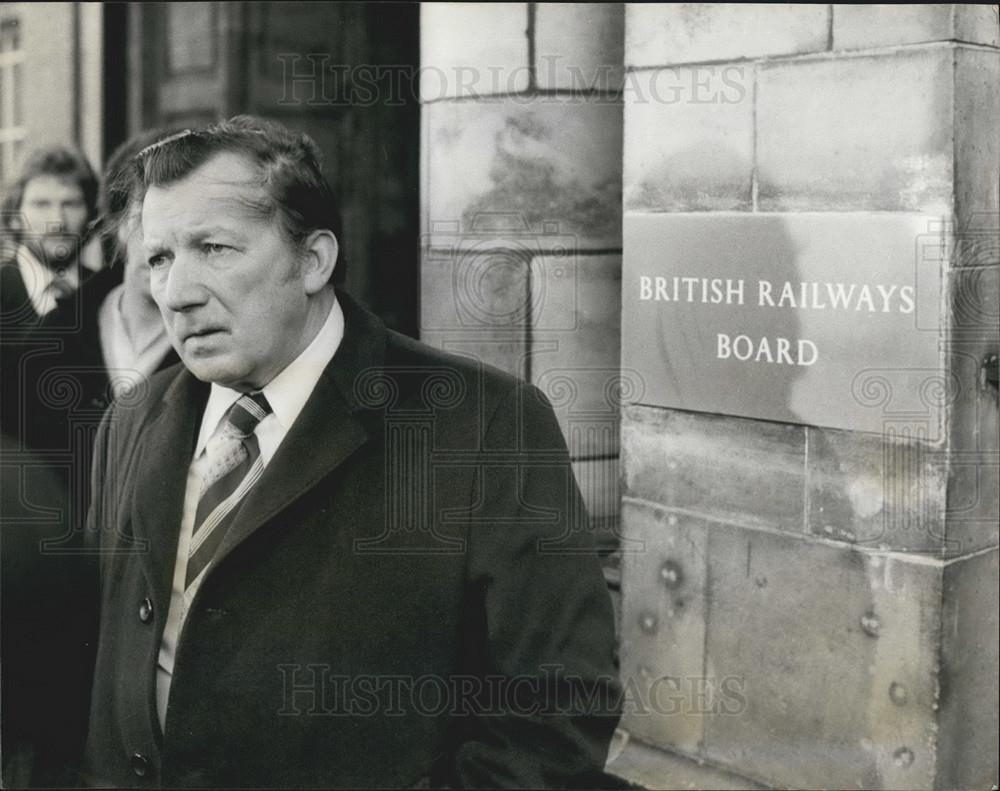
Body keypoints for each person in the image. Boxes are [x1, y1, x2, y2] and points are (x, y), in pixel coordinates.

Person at [81, 116, 620, 788]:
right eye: (159, 258)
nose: (178, 293)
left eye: (215, 248)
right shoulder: (133, 419)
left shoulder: (485, 426)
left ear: (313, 260)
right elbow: (104, 667)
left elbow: (555, 719)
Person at [0, 146, 98, 328]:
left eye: (71, 204)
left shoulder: (106, 293)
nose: (58, 222)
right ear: (14, 217)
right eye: (41, 204)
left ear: (90, 215)